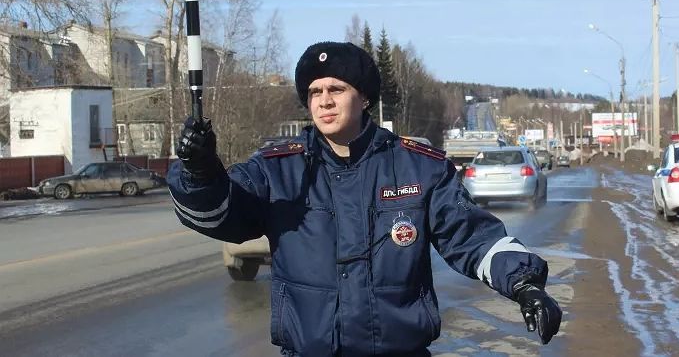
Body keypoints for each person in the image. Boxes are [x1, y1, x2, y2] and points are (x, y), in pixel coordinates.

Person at [167, 41, 562, 356]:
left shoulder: (417, 168)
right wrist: (200, 173)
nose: (324, 101)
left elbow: (471, 237)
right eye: (315, 91)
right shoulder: (277, 169)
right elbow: (220, 218)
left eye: (336, 89)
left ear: (365, 98)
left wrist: (524, 283)